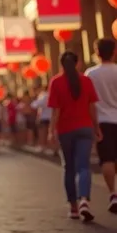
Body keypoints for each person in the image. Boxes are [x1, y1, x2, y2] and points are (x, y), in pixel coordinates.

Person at [48, 51, 102, 222]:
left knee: (69, 168)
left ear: (61, 64)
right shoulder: (86, 81)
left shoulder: (56, 82)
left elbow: (55, 111)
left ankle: (73, 207)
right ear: (78, 64)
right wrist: (96, 127)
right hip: (85, 127)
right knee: (84, 166)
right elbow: (92, 107)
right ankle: (84, 200)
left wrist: (51, 130)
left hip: (65, 130)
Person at [85, 38, 117, 214]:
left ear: (97, 52)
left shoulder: (91, 74)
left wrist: (93, 125)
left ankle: (113, 193)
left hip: (102, 121)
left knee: (107, 159)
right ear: (114, 51)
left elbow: (88, 102)